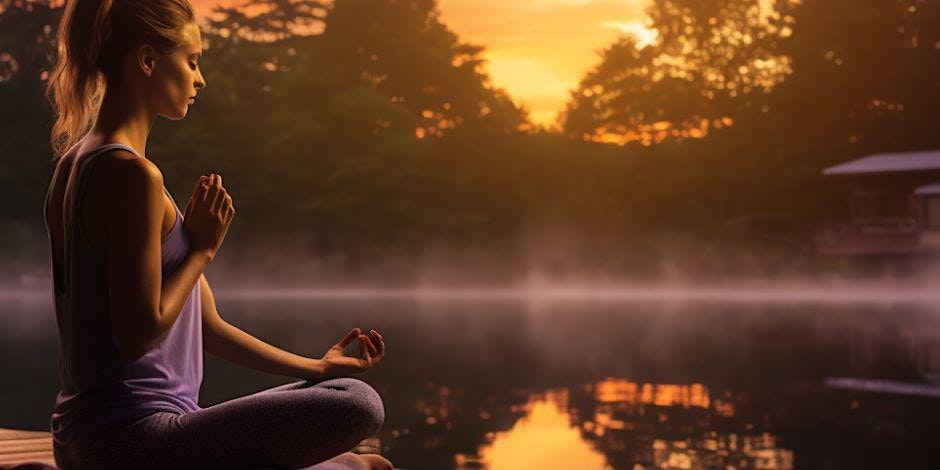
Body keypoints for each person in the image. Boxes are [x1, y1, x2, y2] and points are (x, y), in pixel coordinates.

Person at [41, 1, 392, 468]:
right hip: (134, 442)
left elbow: (209, 328)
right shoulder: (131, 176)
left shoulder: (74, 165)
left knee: (350, 419)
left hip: (85, 439)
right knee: (360, 404)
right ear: (147, 61)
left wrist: (318, 366)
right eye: (191, 60)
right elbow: (137, 334)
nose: (199, 78)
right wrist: (201, 250)